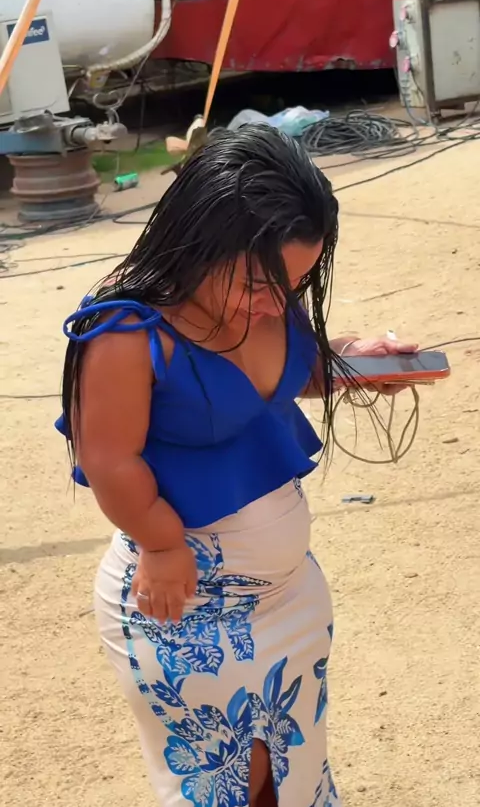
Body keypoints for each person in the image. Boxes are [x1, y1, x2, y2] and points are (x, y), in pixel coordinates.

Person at [56, 126, 415, 807]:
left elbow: (285, 372)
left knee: (293, 777)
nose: (278, 302)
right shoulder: (126, 331)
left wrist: (353, 361)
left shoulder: (268, 292)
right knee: (229, 788)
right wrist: (161, 544)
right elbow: (107, 458)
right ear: (200, 241)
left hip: (290, 598)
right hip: (186, 604)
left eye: (297, 282)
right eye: (260, 284)